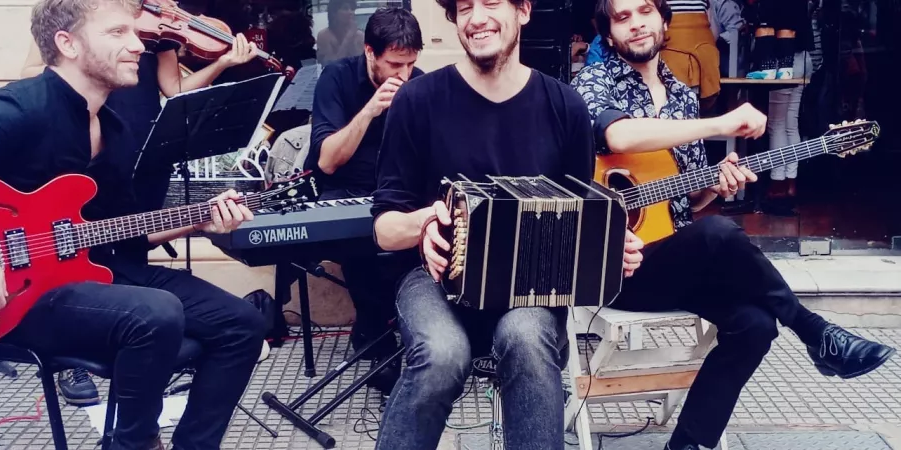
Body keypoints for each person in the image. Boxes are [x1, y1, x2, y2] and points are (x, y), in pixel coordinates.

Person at [0, 1, 267, 449]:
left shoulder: (114, 127)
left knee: (244, 324)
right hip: (17, 296)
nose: (137, 46)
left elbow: (116, 231)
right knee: (155, 313)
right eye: (117, 33)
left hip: (99, 273)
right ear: (67, 43)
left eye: (134, 33)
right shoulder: (22, 106)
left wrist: (198, 222)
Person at [569, 0, 895, 448]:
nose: (636, 24)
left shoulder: (683, 96)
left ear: (664, 21)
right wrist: (720, 123)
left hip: (671, 257)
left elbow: (688, 196)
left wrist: (717, 185)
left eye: (644, 11)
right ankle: (815, 331)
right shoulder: (592, 81)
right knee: (719, 233)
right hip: (614, 267)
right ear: (608, 34)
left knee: (756, 323)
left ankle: (686, 443)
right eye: (622, 18)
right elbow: (617, 135)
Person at [369, 0, 602, 447]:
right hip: (431, 279)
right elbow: (383, 226)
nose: (476, 17)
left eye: (491, 2)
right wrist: (426, 222)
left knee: (527, 340)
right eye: (464, 7)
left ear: (524, 11)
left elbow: (580, 224)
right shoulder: (417, 101)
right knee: (441, 352)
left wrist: (611, 249)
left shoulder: (566, 107)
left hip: (532, 285)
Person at [19, 3, 262, 407]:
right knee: (84, 245)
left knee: (127, 239)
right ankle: (79, 351)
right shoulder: (73, 14)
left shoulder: (158, 22)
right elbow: (35, 74)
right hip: (82, 142)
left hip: (140, 143)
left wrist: (222, 65)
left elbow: (174, 90)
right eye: (119, 33)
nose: (133, 43)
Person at [305, 7, 424, 394]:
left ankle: (417, 333)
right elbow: (327, 160)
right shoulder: (336, 80)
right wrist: (371, 110)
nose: (403, 75)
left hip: (397, 195)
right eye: (394, 64)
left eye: (410, 64)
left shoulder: (418, 85)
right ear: (370, 52)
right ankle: (376, 338)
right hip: (345, 195)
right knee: (368, 245)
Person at [316, 0, 365, 65]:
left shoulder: (360, 36)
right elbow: (331, 67)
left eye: (352, 9)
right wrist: (348, 38)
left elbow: (361, 64)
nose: (350, 12)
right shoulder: (324, 35)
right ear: (334, 13)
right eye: (345, 8)